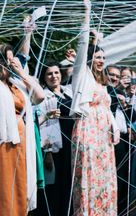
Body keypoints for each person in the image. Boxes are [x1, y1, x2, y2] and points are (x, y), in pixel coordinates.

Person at [70, 0, 119, 216]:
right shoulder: (82, 74)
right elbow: (82, 42)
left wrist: (114, 127)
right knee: (88, 176)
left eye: (103, 58)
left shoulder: (102, 82)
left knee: (104, 176)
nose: (101, 61)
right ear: (89, 58)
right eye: (97, 57)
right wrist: (87, 11)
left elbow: (107, 108)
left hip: (103, 135)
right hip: (88, 130)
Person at [0, 32, 46, 215]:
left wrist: (19, 71)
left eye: (11, 60)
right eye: (5, 60)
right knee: (4, 190)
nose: (8, 64)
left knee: (19, 188)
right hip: (4, 144)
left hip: (21, 143)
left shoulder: (15, 83)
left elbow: (39, 96)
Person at [37, 64, 75, 216]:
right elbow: (44, 125)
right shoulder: (44, 96)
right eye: (49, 74)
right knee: (55, 186)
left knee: (68, 184)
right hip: (55, 148)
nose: (54, 76)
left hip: (70, 145)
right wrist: (47, 152)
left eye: (56, 72)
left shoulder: (68, 92)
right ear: (44, 78)